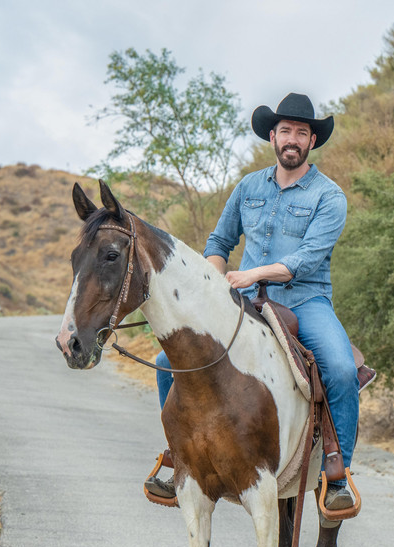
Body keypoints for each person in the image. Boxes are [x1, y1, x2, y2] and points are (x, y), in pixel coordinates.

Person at [147, 92, 359, 512]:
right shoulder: (248, 187)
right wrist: (212, 282)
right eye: (285, 131)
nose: (292, 139)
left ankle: (337, 475)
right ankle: (180, 457)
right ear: (273, 137)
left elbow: (305, 260)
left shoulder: (329, 196)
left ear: (312, 141)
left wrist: (253, 274)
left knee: (341, 369)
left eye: (301, 132)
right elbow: (220, 241)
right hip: (241, 300)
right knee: (166, 363)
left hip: (305, 301)